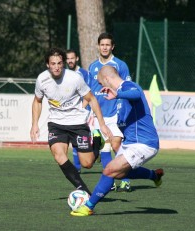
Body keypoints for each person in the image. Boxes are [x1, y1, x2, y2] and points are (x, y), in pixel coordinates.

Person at [71, 66, 164, 216]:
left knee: (109, 170)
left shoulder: (127, 86)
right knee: (120, 174)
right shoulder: (120, 97)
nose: (101, 87)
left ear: (107, 79)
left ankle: (88, 207)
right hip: (131, 143)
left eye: (101, 83)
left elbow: (136, 93)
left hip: (144, 143)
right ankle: (155, 175)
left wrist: (118, 93)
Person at [30, 47, 113, 195]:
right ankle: (84, 191)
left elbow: (92, 99)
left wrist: (102, 124)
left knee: (87, 164)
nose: (57, 67)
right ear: (47, 65)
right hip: (56, 124)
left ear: (63, 63)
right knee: (59, 155)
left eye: (59, 63)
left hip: (78, 123)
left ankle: (96, 144)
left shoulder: (74, 78)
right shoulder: (42, 79)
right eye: (53, 63)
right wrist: (34, 124)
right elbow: (37, 101)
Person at [88, 32, 132, 192]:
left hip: (115, 112)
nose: (105, 47)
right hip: (97, 114)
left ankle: (126, 179)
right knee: (104, 146)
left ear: (112, 47)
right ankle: (111, 180)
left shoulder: (120, 65)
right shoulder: (93, 67)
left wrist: (124, 108)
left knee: (116, 143)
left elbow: (127, 87)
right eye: (102, 44)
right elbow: (90, 91)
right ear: (98, 46)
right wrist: (87, 110)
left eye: (108, 45)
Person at [66, 49, 89, 173]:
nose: (70, 61)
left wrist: (82, 108)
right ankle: (77, 168)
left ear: (77, 59)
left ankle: (96, 152)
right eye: (68, 59)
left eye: (72, 58)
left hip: (84, 111)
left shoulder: (84, 73)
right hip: (70, 111)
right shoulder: (64, 74)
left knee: (83, 139)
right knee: (74, 139)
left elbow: (88, 93)